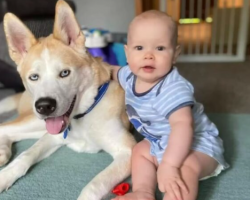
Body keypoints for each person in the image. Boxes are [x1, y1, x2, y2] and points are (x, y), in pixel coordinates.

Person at [111, 10, 229, 200]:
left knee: (186, 167)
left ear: (175, 54)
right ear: (127, 52)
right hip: (159, 140)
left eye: (160, 48)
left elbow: (183, 126)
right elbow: (111, 71)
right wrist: (91, 66)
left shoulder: (174, 88)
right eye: (139, 48)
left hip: (196, 144)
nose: (149, 56)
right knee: (140, 151)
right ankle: (143, 191)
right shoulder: (129, 75)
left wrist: (169, 165)